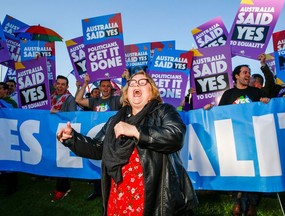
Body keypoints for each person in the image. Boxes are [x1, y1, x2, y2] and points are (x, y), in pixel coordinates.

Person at [57, 70, 198, 215]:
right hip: (119, 196)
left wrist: (136, 131)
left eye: (143, 82)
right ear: (127, 92)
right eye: (132, 83)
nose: (137, 85)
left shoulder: (164, 111)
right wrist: (72, 139)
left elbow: (175, 136)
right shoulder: (115, 120)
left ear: (152, 91)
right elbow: (98, 147)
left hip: (152, 198)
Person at [218, 65, 270, 216]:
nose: (248, 75)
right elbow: (219, 114)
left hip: (254, 139)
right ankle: (237, 201)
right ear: (236, 76)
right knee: (237, 170)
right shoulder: (228, 94)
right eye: (245, 72)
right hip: (235, 139)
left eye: (249, 73)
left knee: (255, 170)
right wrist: (209, 110)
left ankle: (252, 204)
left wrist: (266, 102)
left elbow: (267, 109)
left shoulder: (256, 92)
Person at [76, 74, 123, 200]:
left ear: (111, 87)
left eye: (108, 86)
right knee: (97, 162)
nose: (106, 88)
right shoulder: (94, 101)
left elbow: (127, 98)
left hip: (113, 137)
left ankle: (112, 191)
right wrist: (85, 84)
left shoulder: (115, 100)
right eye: (103, 86)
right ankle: (97, 190)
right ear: (100, 87)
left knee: (111, 163)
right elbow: (78, 100)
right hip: (98, 135)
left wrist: (126, 79)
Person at [50, 75, 77, 202]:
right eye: (58, 84)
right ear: (55, 85)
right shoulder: (51, 97)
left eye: (63, 84)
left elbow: (72, 116)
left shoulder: (69, 98)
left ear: (67, 87)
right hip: (51, 130)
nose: (60, 86)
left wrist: (57, 112)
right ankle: (62, 186)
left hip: (63, 133)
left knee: (62, 160)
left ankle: (62, 189)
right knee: (56, 160)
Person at [0, 82, 18, 196]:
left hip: (8, 135)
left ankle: (12, 186)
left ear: (6, 90)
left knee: (10, 158)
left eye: (0, 89)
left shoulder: (10, 102)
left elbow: (13, 114)